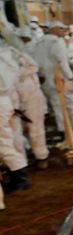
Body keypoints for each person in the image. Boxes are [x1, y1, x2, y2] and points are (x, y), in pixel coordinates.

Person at [33, 21, 73, 140]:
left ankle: (63, 131)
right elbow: (62, 62)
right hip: (60, 78)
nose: (63, 31)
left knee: (57, 105)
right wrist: (70, 76)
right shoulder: (56, 43)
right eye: (61, 29)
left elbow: (36, 62)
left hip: (46, 80)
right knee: (72, 103)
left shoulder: (39, 43)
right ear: (55, 29)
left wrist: (41, 76)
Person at [0, 44, 48, 169]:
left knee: (35, 126)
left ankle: (41, 155)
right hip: (10, 98)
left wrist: (20, 74)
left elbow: (34, 66)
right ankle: (21, 162)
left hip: (29, 93)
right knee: (15, 131)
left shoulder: (14, 52)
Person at [0, 48, 32, 193]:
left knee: (3, 143)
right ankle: (18, 174)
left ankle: (20, 178)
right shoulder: (6, 59)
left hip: (2, 102)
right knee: (10, 140)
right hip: (8, 101)